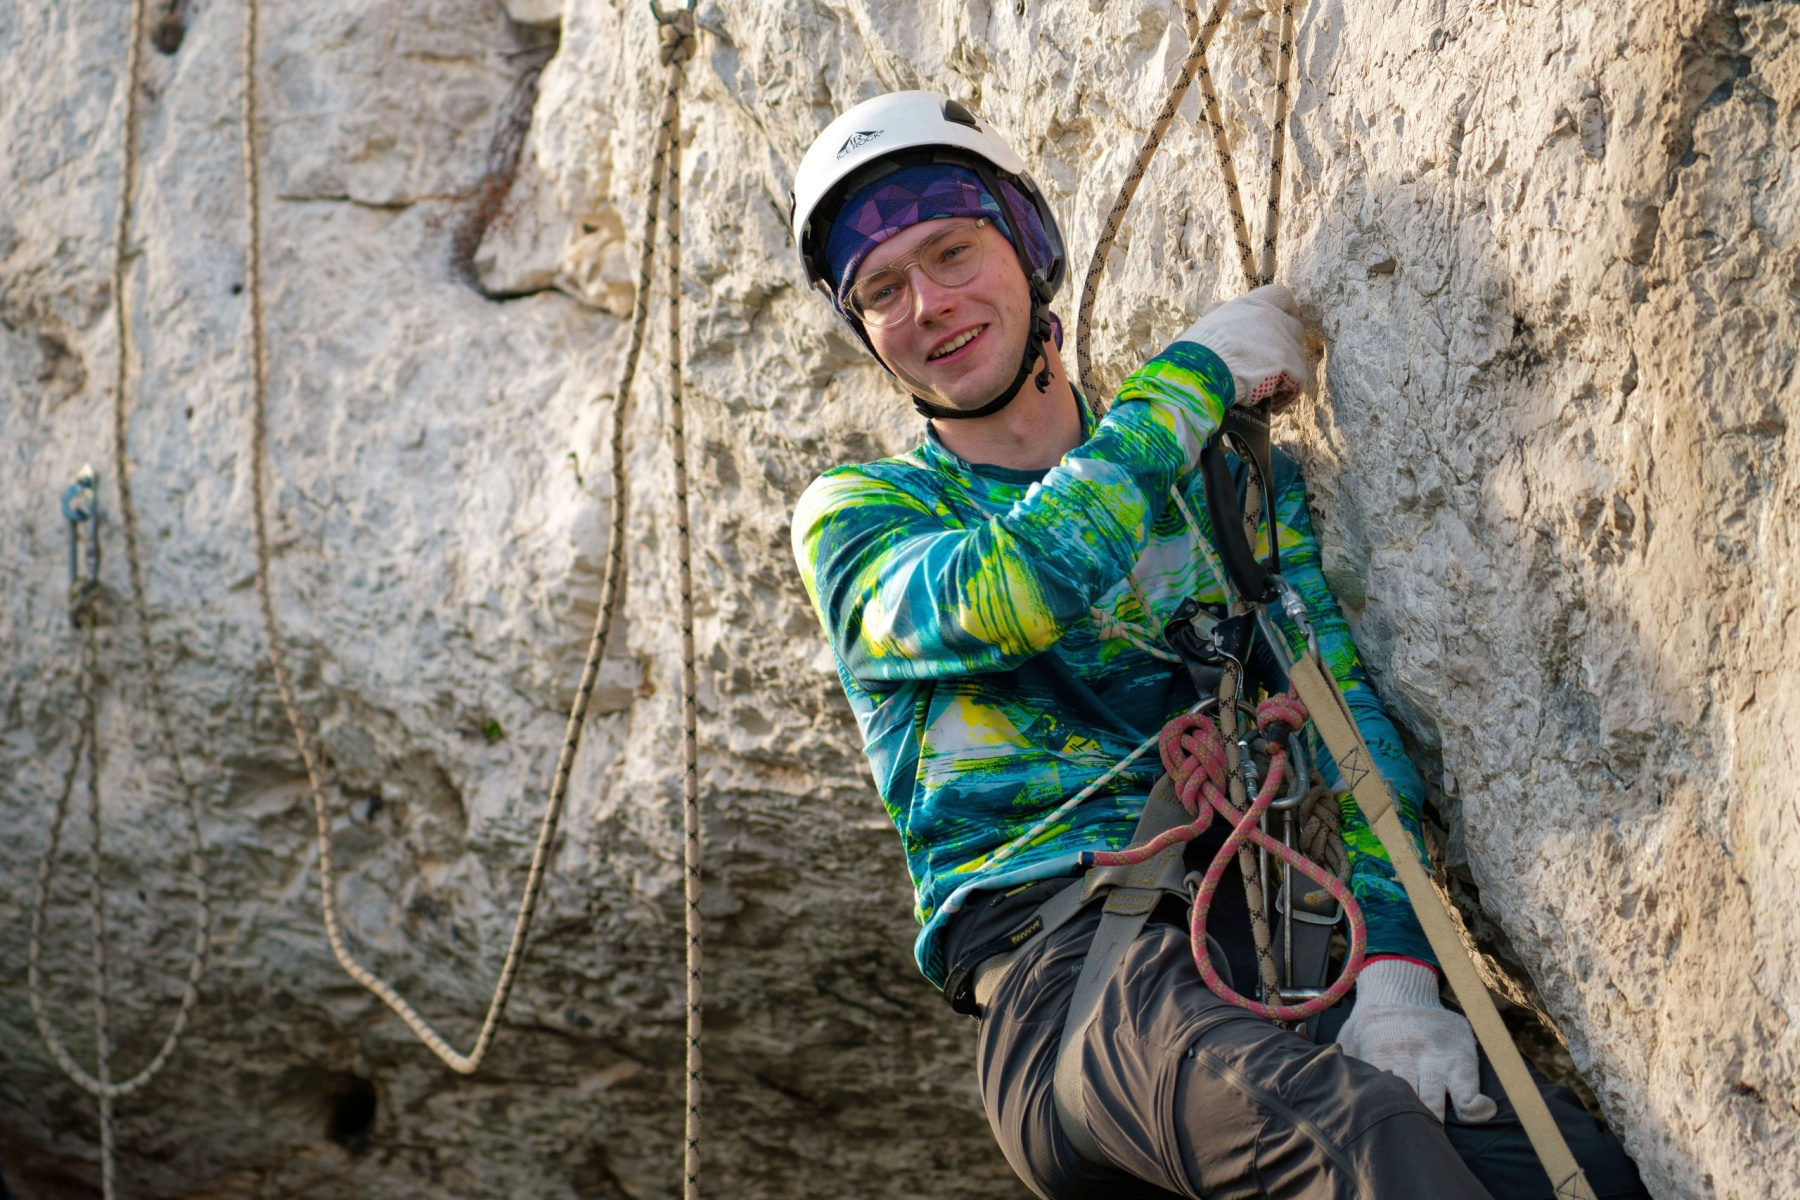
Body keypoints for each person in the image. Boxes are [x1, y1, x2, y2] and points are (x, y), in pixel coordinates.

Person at [787, 90, 1646, 1199]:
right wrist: (1188, 383)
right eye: (881, 290)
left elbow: (1339, 712)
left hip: (1274, 942)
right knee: (1364, 1145)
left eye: (953, 251)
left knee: (1572, 1175)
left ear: (1027, 247)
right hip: (1071, 986)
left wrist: (1395, 973)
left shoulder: (1221, 488)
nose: (928, 305)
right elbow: (1016, 589)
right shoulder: (864, 517)